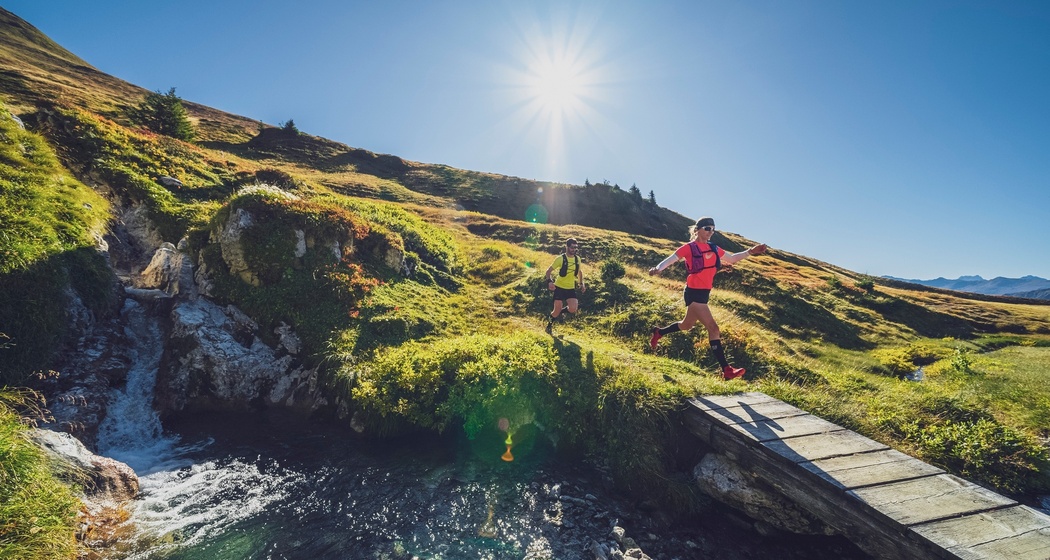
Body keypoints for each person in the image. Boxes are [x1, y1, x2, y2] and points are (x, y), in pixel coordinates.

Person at [647, 217, 767, 380]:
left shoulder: (713, 247)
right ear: (697, 229)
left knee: (686, 325)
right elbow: (671, 259)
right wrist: (657, 269)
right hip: (693, 293)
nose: (711, 232)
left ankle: (659, 332)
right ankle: (727, 370)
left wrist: (751, 251)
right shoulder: (689, 248)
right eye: (707, 228)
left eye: (713, 229)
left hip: (704, 293)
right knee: (714, 328)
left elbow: (732, 259)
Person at [544, 238, 585, 334]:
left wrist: (581, 283)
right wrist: (549, 282)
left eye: (575, 247)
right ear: (566, 247)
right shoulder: (560, 259)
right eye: (572, 247)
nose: (574, 249)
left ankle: (560, 312)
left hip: (570, 288)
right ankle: (549, 325)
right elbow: (548, 271)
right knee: (556, 310)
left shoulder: (577, 259)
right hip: (559, 287)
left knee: (573, 309)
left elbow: (579, 272)